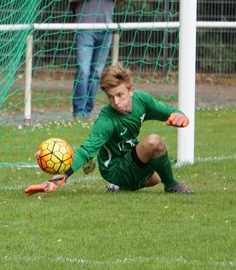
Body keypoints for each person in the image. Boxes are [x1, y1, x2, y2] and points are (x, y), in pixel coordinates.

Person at [25, 64, 194, 196]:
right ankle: (172, 185)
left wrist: (180, 116)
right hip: (114, 169)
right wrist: (58, 179)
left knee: (155, 178)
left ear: (131, 90)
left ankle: (120, 188)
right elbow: (85, 151)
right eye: (110, 97)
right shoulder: (106, 120)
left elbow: (169, 111)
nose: (116, 102)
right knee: (154, 141)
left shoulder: (143, 101)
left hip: (129, 157)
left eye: (120, 95)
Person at [67, 0, 124, 118]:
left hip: (105, 29)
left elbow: (120, 1)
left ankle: (88, 110)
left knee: (97, 73)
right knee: (83, 70)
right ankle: (79, 112)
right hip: (85, 28)